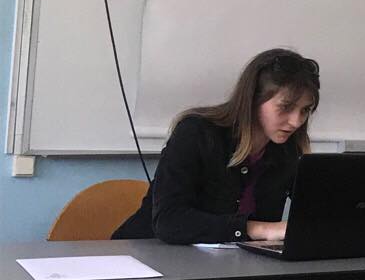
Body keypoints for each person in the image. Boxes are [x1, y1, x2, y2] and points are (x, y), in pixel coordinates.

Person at [113, 49, 320, 244]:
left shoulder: (287, 150)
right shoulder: (196, 133)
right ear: (253, 100)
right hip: (144, 256)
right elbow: (169, 221)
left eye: (305, 110)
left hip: (227, 264)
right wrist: (259, 229)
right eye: (285, 107)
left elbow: (315, 211)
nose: (296, 121)